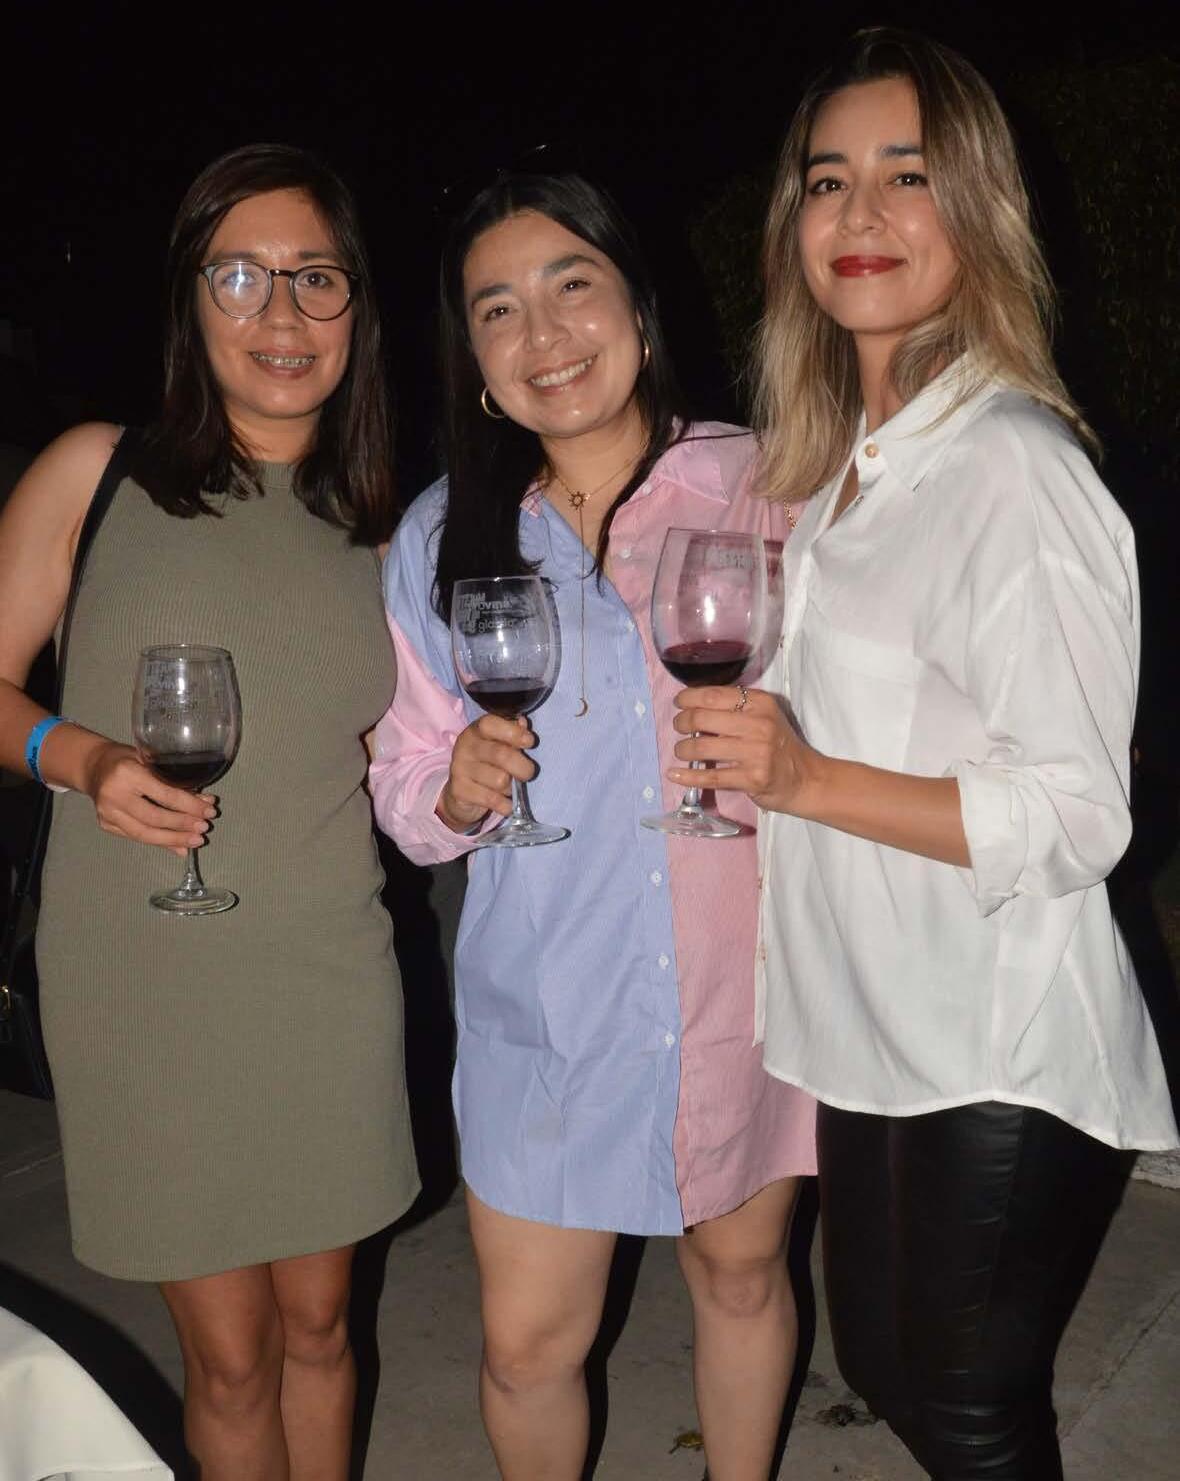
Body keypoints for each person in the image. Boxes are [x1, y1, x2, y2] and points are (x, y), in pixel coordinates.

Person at [673, 27, 1180, 1480]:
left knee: (965, 1406)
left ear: (979, 207)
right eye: (828, 179)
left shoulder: (1014, 465)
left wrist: (802, 777)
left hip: (993, 1029)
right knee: (890, 1369)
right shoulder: (844, 467)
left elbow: (1078, 813)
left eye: (909, 174)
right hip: (874, 1015)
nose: (862, 212)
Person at [369, 172, 816, 1480]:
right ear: (473, 356)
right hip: (548, 1003)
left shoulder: (764, 483)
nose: (544, 333)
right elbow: (403, 773)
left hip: (739, 985)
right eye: (497, 308)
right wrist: (451, 791)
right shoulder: (441, 535)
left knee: (742, 1276)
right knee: (526, 1346)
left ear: (639, 304)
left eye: (573, 284)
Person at [0, 144, 419, 1480]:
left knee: (322, 1326)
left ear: (357, 307)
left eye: (316, 278)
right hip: (148, 973)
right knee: (232, 1352)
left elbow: (408, 753)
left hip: (326, 962)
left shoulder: (384, 526)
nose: (281, 313)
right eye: (241, 276)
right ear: (191, 298)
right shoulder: (98, 472)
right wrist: (76, 757)